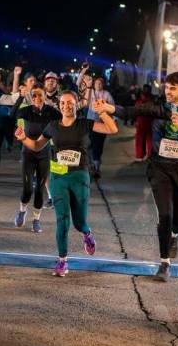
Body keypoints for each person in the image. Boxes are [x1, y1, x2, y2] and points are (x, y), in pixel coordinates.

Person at [105, 72, 178, 281]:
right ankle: (164, 263)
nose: (167, 91)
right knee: (165, 216)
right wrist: (110, 108)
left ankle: (175, 234)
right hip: (159, 167)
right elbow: (132, 110)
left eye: (172, 88)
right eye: (166, 87)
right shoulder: (160, 108)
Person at [16, 94, 118, 275]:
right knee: (62, 220)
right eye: (62, 103)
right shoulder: (52, 126)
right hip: (58, 177)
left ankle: (86, 233)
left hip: (79, 177)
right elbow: (37, 145)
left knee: (79, 222)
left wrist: (102, 111)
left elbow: (112, 129)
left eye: (70, 103)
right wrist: (24, 138)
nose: (66, 106)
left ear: (76, 105)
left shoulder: (85, 124)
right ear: (59, 105)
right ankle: (62, 260)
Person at [12, 79, 61, 233]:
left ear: (45, 95)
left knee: (40, 189)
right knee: (27, 189)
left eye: (40, 96)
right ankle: (22, 211)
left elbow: (64, 120)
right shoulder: (27, 111)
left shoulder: (51, 112)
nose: (37, 99)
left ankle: (36, 220)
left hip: (44, 154)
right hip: (28, 153)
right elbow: (11, 114)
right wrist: (20, 97)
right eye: (34, 96)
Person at [87, 76, 115, 178]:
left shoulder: (106, 94)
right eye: (96, 83)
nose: (98, 85)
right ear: (94, 84)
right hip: (90, 123)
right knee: (89, 144)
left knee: (98, 145)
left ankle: (96, 166)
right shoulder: (90, 93)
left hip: (102, 124)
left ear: (103, 85)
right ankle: (91, 165)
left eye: (100, 83)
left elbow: (112, 107)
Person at [134, 84, 154, 161]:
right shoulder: (152, 100)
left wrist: (135, 121)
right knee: (150, 140)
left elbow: (135, 111)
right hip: (150, 122)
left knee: (140, 139)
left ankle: (140, 155)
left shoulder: (139, 100)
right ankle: (149, 155)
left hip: (141, 121)